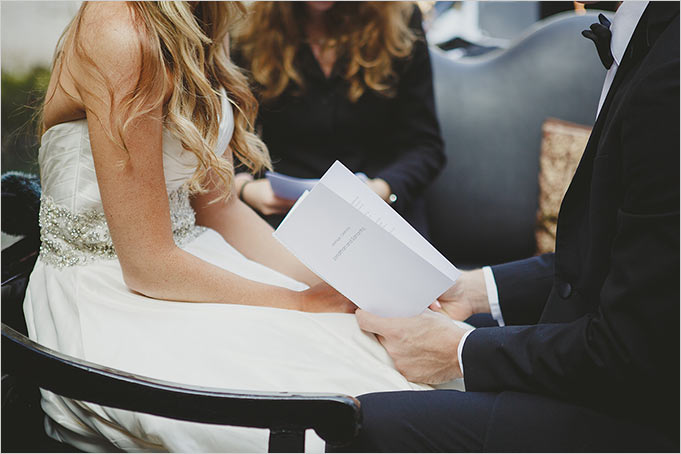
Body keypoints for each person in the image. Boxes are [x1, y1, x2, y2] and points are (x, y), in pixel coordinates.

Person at [23, 2, 462, 451]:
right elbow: (147, 265)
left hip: (200, 260)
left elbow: (221, 210)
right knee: (327, 411)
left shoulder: (207, 15)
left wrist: (350, 285)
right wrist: (301, 304)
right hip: (111, 292)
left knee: (394, 360)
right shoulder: (118, 31)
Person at [345, 2, 680, 451]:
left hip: (651, 418)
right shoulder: (653, 37)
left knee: (367, 420)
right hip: (626, 362)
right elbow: (628, 261)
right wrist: (472, 289)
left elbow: (633, 352)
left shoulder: (669, 79)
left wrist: (456, 352)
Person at [231, 1, 445, 237]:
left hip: (377, 206)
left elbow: (425, 146)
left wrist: (382, 189)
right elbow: (233, 134)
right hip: (284, 208)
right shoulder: (248, 25)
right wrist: (243, 187)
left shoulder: (400, 19)